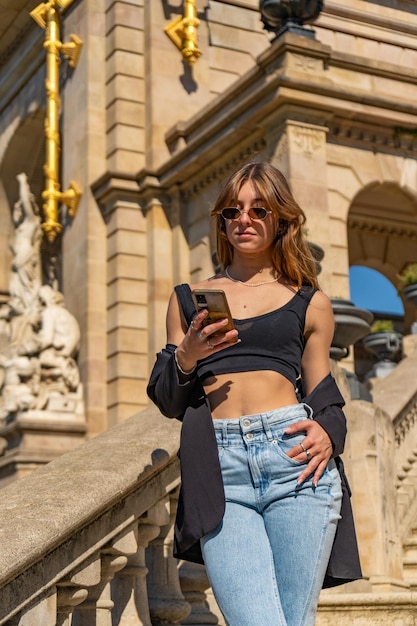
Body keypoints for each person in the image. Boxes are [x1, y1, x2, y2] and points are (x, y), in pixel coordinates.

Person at [147, 161, 361, 626]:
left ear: (281, 219)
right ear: (222, 221)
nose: (244, 219)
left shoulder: (310, 302)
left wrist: (329, 433)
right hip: (220, 470)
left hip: (294, 461)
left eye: (259, 209)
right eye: (233, 210)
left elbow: (324, 391)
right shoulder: (188, 299)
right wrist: (188, 353)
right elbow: (167, 398)